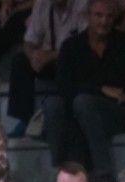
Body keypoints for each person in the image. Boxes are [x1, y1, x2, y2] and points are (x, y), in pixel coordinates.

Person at [44, 0, 125, 182]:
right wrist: (101, 89)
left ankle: (104, 176)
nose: (103, 21)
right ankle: (62, 176)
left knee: (84, 103)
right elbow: (63, 86)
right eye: (98, 15)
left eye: (108, 16)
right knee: (55, 104)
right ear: (88, 16)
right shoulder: (71, 46)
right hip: (78, 110)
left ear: (115, 18)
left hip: (116, 112)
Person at [5, 0, 88, 139]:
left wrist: (50, 55)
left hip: (73, 59)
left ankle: (65, 117)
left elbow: (84, 44)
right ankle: (25, 120)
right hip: (47, 57)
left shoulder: (82, 4)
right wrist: (33, 56)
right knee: (20, 61)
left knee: (68, 61)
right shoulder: (42, 4)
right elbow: (29, 40)